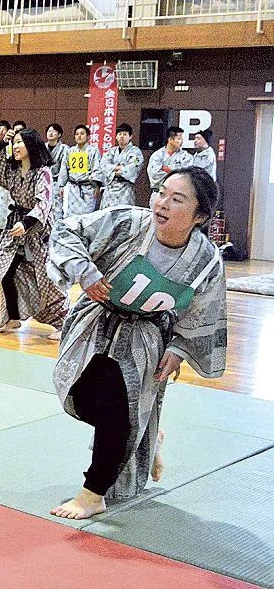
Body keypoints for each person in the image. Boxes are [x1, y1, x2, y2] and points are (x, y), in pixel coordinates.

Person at [47, 167, 225, 519]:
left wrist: (178, 349)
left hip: (145, 333)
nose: (162, 203)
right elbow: (67, 229)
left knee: (118, 402)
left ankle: (92, 493)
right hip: (97, 317)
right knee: (81, 396)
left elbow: (204, 309)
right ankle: (147, 433)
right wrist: (85, 270)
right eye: (160, 193)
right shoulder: (127, 221)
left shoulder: (206, 261)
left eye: (177, 200)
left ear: (199, 216)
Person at [0, 127, 69, 339]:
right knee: (4, 268)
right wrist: (1, 142)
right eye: (15, 142)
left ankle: (64, 321)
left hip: (39, 229)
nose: (16, 146)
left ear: (30, 145)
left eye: (19, 142)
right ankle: (13, 317)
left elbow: (44, 202)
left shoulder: (43, 172)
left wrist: (28, 222)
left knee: (46, 277)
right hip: (16, 224)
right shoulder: (12, 170)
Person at [56, 124, 102, 218]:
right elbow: (64, 168)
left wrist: (97, 186)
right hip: (73, 188)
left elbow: (97, 169)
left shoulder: (93, 150)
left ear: (88, 137)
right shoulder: (70, 151)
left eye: (82, 133)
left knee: (86, 218)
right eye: (77, 134)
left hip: (87, 189)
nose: (79, 136)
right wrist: (61, 185)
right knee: (71, 217)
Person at [98, 123, 144, 209]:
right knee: (107, 217)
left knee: (123, 216)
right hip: (110, 189)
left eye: (125, 134)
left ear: (130, 137)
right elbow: (103, 165)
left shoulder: (135, 152)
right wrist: (119, 167)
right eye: (119, 134)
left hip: (125, 189)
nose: (122, 136)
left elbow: (132, 168)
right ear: (116, 136)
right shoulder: (111, 151)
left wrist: (112, 169)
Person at [146, 126, 193, 202]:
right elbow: (154, 174)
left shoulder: (186, 157)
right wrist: (174, 172)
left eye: (182, 139)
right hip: (158, 194)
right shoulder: (157, 155)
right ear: (170, 139)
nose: (182, 141)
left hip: (177, 197)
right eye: (179, 139)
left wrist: (168, 169)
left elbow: (185, 175)